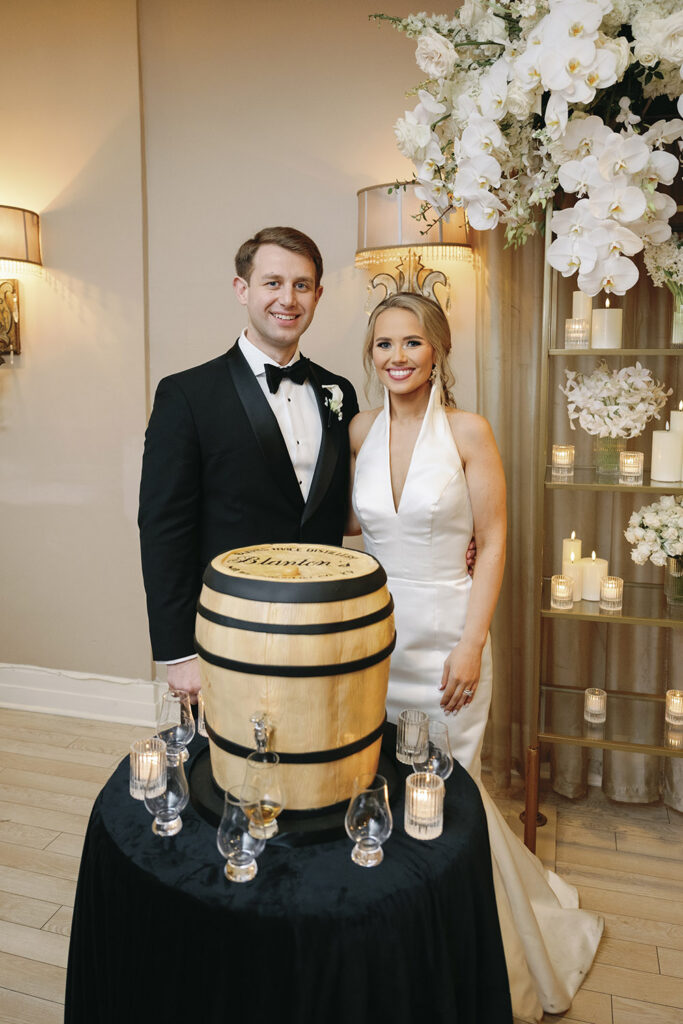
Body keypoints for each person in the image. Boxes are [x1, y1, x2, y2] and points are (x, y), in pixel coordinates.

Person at [347, 292, 603, 1023]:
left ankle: (474, 946)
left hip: (445, 635)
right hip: (372, 632)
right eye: (383, 345)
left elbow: (491, 540)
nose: (396, 358)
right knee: (380, 784)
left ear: (438, 353)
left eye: (411, 344)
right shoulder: (360, 429)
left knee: (446, 788)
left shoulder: (468, 430)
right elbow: (346, 522)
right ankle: (401, 938)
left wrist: (471, 642)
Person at [138, 226, 358, 700]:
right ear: (243, 290)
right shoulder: (186, 395)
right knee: (225, 770)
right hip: (226, 630)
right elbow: (163, 529)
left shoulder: (339, 392)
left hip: (324, 626)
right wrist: (179, 654)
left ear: (318, 295)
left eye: (302, 285)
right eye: (273, 282)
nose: (288, 299)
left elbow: (355, 501)